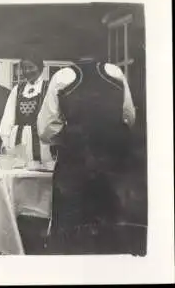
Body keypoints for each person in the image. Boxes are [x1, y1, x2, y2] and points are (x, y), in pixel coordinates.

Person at [37, 57, 136, 254]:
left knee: (69, 225)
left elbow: (45, 129)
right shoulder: (115, 73)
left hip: (74, 164)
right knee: (107, 226)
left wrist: (66, 138)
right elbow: (129, 117)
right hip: (109, 164)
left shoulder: (62, 76)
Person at [0, 57, 53, 164]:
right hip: (19, 138)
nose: (27, 71)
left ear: (40, 68)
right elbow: (8, 116)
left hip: (41, 140)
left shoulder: (48, 88)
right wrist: (5, 140)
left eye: (31, 67)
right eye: (24, 68)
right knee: (19, 168)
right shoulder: (18, 89)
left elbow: (53, 115)